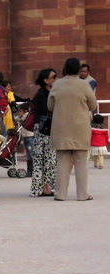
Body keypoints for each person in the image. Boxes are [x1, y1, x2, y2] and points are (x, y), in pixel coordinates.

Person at [48, 58, 97, 201]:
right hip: (80, 127)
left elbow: (50, 106)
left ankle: (60, 194)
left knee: (62, 161)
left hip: (61, 128)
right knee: (81, 162)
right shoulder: (84, 85)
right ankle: (82, 195)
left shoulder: (57, 84)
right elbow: (93, 105)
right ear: (78, 70)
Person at [29, 68, 58, 197]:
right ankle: (43, 187)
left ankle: (45, 186)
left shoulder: (48, 92)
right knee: (44, 159)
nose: (56, 79)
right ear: (46, 80)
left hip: (46, 129)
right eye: (53, 77)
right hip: (43, 130)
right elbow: (47, 112)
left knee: (48, 159)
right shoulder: (42, 94)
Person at [18, 103, 34, 177]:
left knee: (31, 154)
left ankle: (32, 170)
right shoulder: (26, 115)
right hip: (26, 137)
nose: (19, 113)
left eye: (20, 111)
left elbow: (20, 118)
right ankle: (29, 170)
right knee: (28, 155)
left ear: (25, 111)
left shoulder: (27, 115)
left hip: (30, 137)